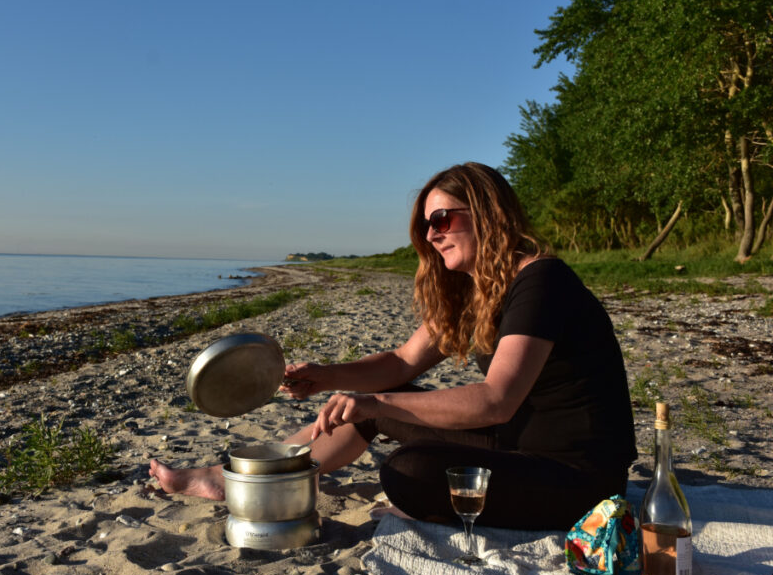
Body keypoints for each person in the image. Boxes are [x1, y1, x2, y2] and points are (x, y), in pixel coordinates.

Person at [150, 162, 637, 530]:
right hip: (520, 442)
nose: (431, 234)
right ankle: (231, 476)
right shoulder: (482, 292)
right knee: (377, 410)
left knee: (406, 472)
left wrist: (375, 400)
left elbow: (496, 399)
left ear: (487, 214)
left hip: (577, 476)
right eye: (428, 225)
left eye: (443, 219)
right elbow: (404, 360)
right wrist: (330, 376)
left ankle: (250, 476)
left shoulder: (541, 280)